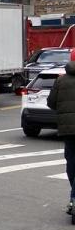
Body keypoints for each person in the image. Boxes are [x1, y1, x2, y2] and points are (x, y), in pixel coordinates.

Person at [48, 60, 75, 219]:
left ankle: (73, 196)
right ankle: (74, 197)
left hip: (67, 130)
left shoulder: (60, 80)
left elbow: (51, 103)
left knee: (71, 162)